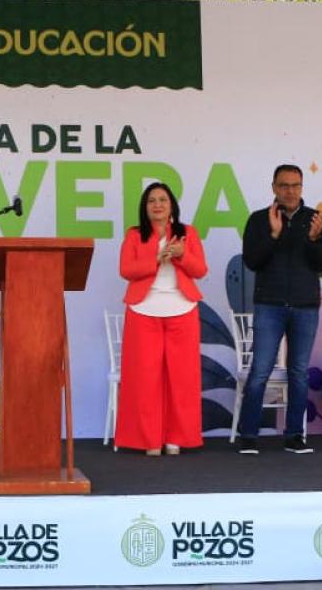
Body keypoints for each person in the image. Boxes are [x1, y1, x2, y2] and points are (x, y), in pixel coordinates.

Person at [236, 164, 322, 455]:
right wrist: (274, 235)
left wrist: (315, 239)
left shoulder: (315, 219)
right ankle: (249, 435)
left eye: (295, 185)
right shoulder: (258, 220)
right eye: (284, 185)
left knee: (299, 372)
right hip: (269, 305)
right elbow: (252, 260)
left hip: (305, 306)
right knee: (260, 371)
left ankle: (294, 435)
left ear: (302, 187)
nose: (290, 191)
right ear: (273, 188)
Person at [116, 182, 208, 456]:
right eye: (151, 201)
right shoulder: (135, 236)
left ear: (172, 206)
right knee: (144, 379)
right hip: (144, 309)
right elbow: (126, 270)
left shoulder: (187, 233)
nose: (157, 205)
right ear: (145, 208)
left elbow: (200, 270)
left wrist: (182, 255)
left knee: (182, 379)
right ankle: (149, 440)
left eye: (163, 200)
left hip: (182, 309)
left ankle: (176, 439)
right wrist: (156, 259)